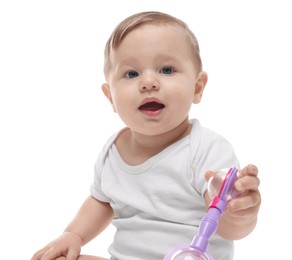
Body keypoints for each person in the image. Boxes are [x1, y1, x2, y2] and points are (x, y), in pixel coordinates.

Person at [31, 11, 261, 260]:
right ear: (111, 97)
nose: (148, 82)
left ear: (197, 88)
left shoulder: (205, 150)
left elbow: (226, 224)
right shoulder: (113, 151)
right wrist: (74, 235)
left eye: (166, 69)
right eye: (131, 74)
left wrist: (240, 215)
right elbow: (101, 201)